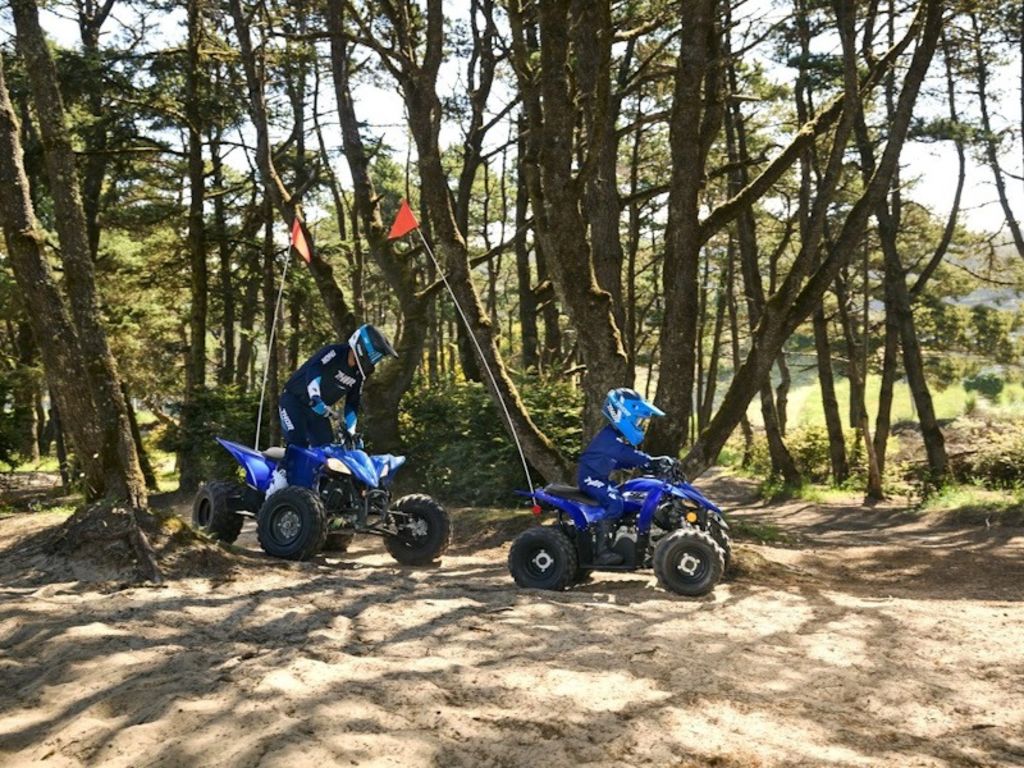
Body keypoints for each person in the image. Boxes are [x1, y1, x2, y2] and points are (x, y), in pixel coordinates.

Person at [271, 324, 397, 489]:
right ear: (362, 348)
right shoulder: (334, 353)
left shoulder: (358, 375)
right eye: (374, 356)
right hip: (294, 400)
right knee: (297, 444)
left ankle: (317, 492)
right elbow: (314, 369)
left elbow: (352, 403)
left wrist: (351, 432)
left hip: (318, 411)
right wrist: (315, 396)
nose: (374, 361)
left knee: (327, 451)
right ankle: (276, 487)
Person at [577, 388, 672, 565]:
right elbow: (626, 454)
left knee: (630, 498)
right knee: (614, 502)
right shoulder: (610, 438)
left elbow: (619, 459)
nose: (639, 424)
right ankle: (602, 552)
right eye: (637, 419)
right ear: (624, 414)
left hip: (600, 479)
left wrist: (644, 465)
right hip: (590, 480)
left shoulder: (615, 436)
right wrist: (650, 461)